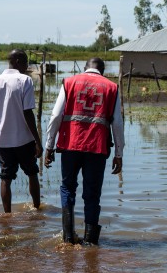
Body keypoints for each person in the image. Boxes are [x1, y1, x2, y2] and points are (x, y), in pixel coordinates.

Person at [44, 57, 124, 245]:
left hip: (71, 144)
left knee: (67, 188)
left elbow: (55, 116)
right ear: (102, 71)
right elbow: (118, 124)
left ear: (85, 68)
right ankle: (90, 242)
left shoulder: (70, 82)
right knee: (92, 193)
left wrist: (49, 146)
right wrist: (119, 154)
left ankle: (68, 238)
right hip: (97, 147)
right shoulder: (111, 87)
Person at [0, 49, 42, 213]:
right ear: (17, 61)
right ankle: (37, 210)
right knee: (32, 173)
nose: (27, 66)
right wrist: (37, 141)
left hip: (3, 141)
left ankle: (7, 216)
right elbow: (28, 112)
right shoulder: (25, 80)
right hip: (25, 140)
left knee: (5, 178)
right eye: (25, 62)